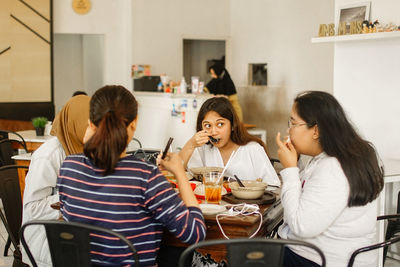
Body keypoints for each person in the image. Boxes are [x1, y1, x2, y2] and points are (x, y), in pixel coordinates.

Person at [57, 85, 206, 266]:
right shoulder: (145, 175)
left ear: (90, 123)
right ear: (134, 123)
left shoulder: (69, 166)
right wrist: (180, 172)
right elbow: (195, 233)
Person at [275, 91, 384, 267]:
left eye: (293, 123)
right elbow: (310, 196)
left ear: (316, 130)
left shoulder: (333, 167)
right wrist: (296, 163)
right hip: (337, 254)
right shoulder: (348, 154)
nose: (289, 130)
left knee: (246, 255)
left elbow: (301, 226)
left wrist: (290, 169)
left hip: (320, 259)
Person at [22, 95, 90, 266]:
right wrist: (74, 197)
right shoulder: (48, 156)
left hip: (76, 229)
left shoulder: (85, 148)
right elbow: (33, 208)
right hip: (45, 237)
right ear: (76, 123)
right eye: (90, 124)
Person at [180, 96, 280, 186]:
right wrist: (190, 145)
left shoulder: (252, 149)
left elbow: (273, 186)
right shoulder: (202, 149)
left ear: (232, 125)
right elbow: (177, 172)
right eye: (208, 125)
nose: (213, 132)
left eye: (220, 124)